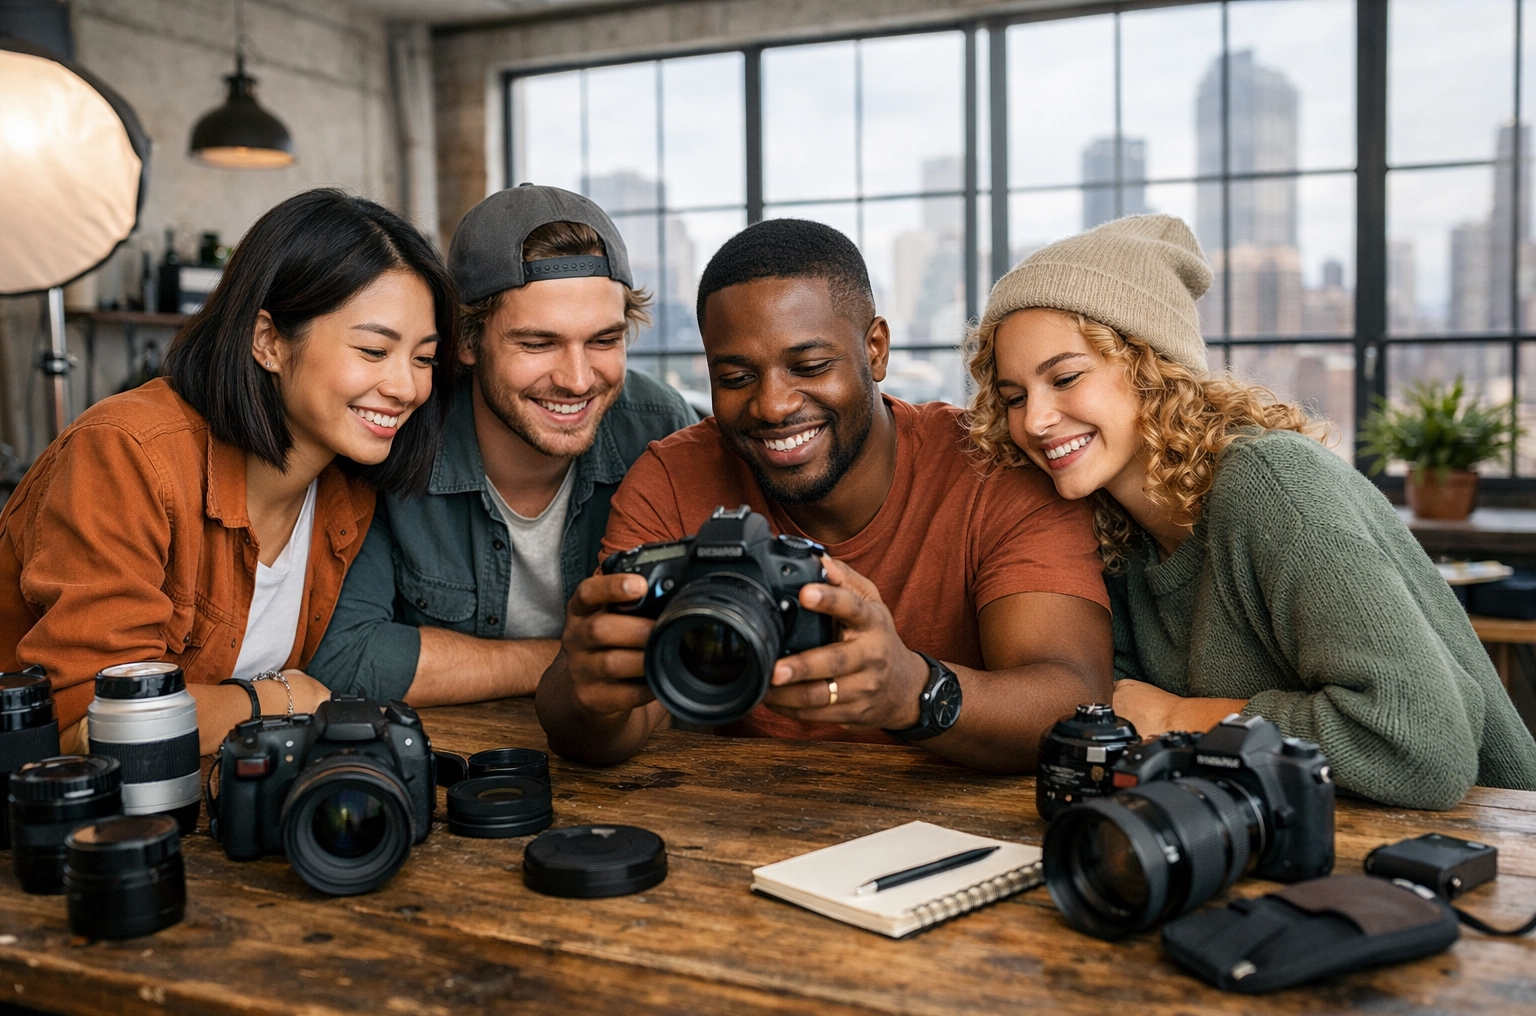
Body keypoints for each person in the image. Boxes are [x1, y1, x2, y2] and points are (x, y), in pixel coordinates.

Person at [967, 212, 1536, 809]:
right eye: (1014, 397)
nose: (1034, 420)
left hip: (1488, 848)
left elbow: (1422, 748)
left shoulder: (1272, 484)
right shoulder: (1114, 534)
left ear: (1151, 367)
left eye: (1065, 378)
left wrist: (1174, 714)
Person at [536, 218, 1113, 772]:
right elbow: (604, 732)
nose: (773, 405)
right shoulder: (672, 478)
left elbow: (1074, 698)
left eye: (809, 366)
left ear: (876, 349)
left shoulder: (992, 470)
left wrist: (910, 691)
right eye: (735, 379)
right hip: (738, 827)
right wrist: (588, 689)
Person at [0, 188, 457, 754]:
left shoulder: (348, 487)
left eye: (423, 358)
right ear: (268, 341)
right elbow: (93, 730)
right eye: (372, 351)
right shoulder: (126, 453)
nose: (406, 387)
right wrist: (281, 699)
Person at [307, 185, 696, 707]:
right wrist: (576, 662)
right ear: (467, 341)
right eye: (538, 344)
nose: (578, 380)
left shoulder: (659, 427)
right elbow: (347, 659)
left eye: (604, 340)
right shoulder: (395, 436)